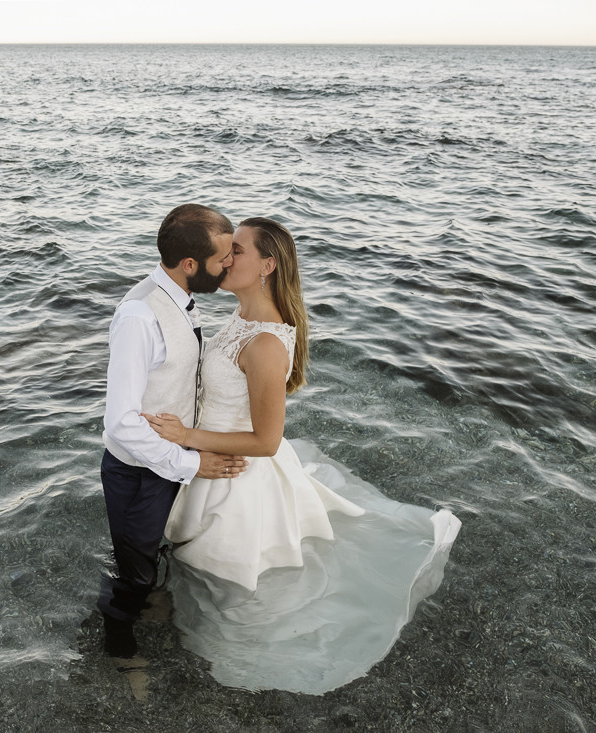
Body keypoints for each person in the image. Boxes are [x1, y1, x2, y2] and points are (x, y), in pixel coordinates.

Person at [143, 217, 461, 693]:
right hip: (207, 461)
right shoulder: (241, 318)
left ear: (267, 265)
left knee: (225, 588)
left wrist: (188, 436)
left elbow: (267, 442)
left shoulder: (267, 342)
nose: (226, 260)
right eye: (227, 251)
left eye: (238, 252)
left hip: (234, 477)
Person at [97, 203, 248, 659]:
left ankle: (152, 603)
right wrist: (192, 462)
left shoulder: (181, 298)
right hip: (139, 474)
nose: (229, 265)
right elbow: (120, 424)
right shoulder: (140, 317)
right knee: (132, 576)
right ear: (189, 265)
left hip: (162, 464)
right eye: (222, 259)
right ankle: (121, 654)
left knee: (145, 558)